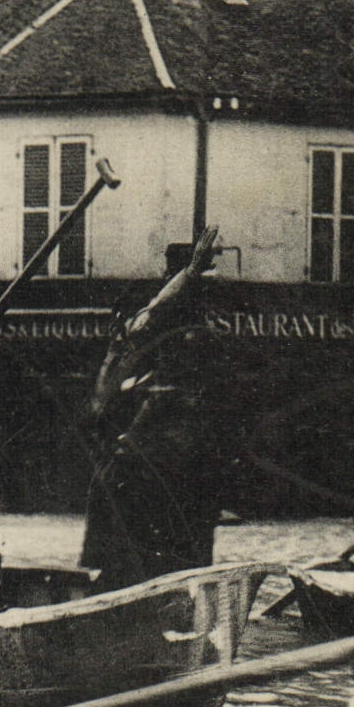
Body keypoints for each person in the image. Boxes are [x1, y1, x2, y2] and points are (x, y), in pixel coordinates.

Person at [79, 239, 222, 592]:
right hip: (147, 449)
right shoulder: (149, 331)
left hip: (164, 448)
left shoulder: (188, 330)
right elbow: (154, 313)